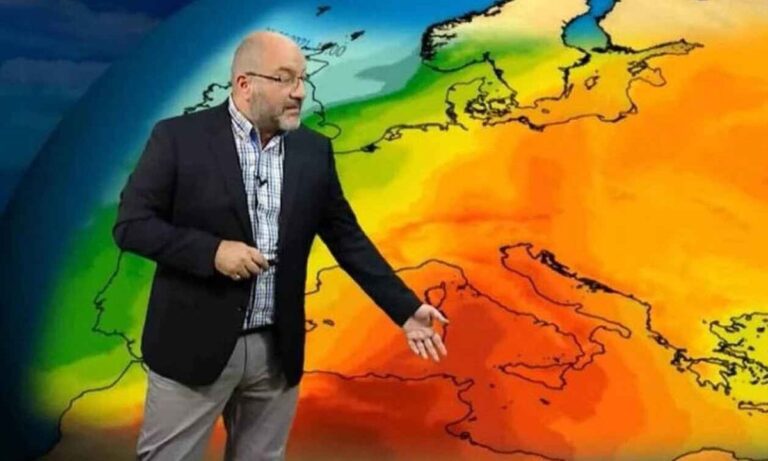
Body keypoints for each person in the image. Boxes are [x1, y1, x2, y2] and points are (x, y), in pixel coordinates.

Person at [113, 30, 450, 461]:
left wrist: (404, 308)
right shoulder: (178, 139)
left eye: (302, 79)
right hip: (192, 346)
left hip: (277, 352)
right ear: (244, 84)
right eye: (285, 78)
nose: (299, 92)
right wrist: (212, 253)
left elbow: (347, 239)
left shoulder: (313, 151)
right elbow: (132, 225)